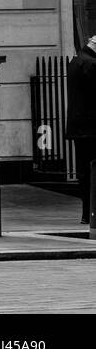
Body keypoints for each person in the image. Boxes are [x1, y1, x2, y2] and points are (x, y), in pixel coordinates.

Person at [67, 34, 96, 224]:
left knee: (84, 173)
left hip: (78, 128)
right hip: (92, 128)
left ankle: (87, 213)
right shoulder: (92, 64)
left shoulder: (75, 61)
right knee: (93, 172)